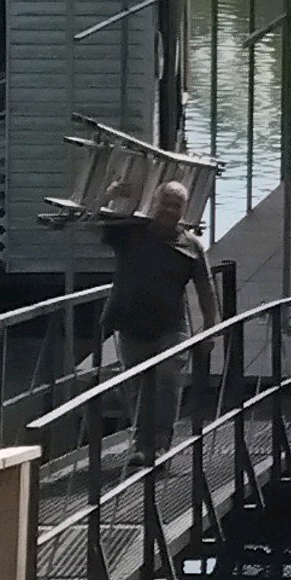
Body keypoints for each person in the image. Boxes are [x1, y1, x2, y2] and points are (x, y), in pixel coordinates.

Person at [98, 178, 218, 456]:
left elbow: (206, 288)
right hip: (131, 323)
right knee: (138, 386)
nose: (169, 209)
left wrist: (211, 328)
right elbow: (94, 220)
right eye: (165, 203)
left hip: (172, 326)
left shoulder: (191, 245)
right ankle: (142, 446)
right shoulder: (131, 232)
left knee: (166, 378)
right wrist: (109, 194)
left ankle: (162, 445)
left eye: (176, 205)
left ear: (184, 210)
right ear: (155, 203)